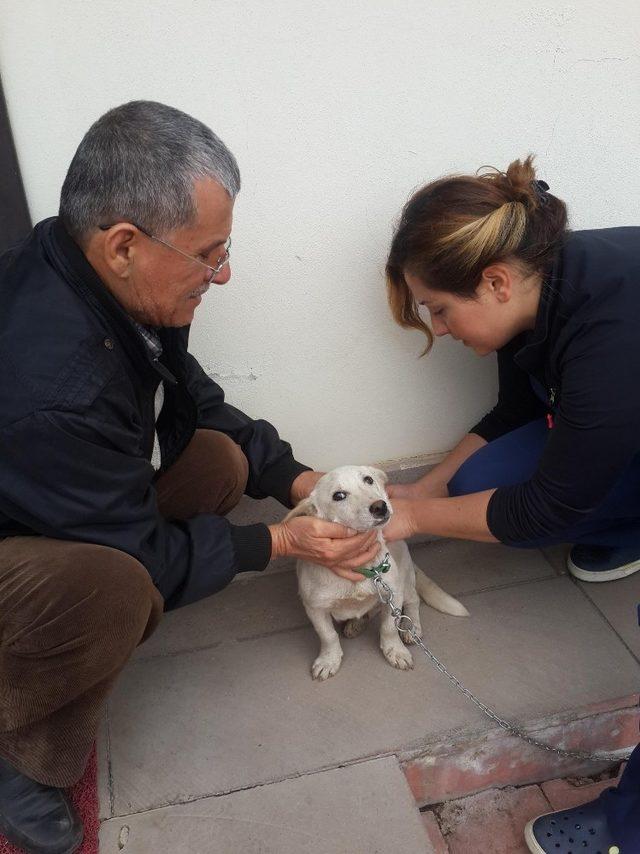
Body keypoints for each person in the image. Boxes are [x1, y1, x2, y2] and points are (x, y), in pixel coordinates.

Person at [0, 100, 381, 854]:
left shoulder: (88, 272)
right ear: (124, 245)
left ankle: (119, 601)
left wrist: (301, 483)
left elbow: (193, 396)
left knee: (221, 460)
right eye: (210, 253)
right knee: (115, 587)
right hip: (23, 523)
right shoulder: (56, 385)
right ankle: (20, 759)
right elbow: (137, 552)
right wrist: (275, 543)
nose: (225, 272)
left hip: (49, 490)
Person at [381, 156, 640, 852]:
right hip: (624, 416)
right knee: (480, 479)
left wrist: (411, 521)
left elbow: (544, 511)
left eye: (439, 307)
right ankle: (629, 523)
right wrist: (422, 490)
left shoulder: (610, 331)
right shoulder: (538, 285)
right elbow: (515, 411)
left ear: (493, 281)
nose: (437, 327)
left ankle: (630, 830)